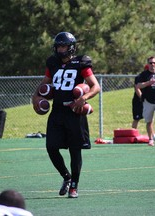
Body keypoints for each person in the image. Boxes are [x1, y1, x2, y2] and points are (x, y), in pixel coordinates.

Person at [32, 32, 101, 198]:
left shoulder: (81, 63)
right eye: (58, 46)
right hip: (57, 111)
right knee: (51, 147)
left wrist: (82, 99)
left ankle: (74, 186)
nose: (60, 49)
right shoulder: (53, 62)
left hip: (74, 112)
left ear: (71, 48)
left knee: (75, 151)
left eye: (63, 46)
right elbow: (44, 84)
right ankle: (66, 177)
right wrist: (36, 97)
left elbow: (95, 86)